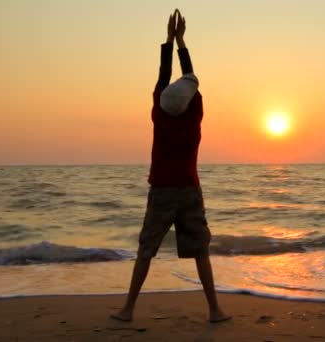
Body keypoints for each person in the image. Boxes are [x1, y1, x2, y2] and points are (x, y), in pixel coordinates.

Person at [111, 9, 230, 323]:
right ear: (192, 102)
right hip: (190, 189)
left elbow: (163, 77)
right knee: (200, 250)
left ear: (162, 100)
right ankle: (215, 310)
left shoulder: (160, 116)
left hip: (162, 190)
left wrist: (168, 39)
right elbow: (191, 83)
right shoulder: (194, 119)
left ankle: (128, 309)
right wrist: (182, 43)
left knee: (147, 248)